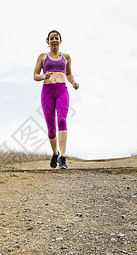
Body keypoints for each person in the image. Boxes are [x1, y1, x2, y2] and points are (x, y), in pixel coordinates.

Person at [33, 30, 79, 169]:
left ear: (60, 41)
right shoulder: (42, 57)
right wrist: (43, 76)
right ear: (48, 42)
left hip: (61, 91)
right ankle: (55, 153)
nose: (54, 40)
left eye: (56, 38)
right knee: (51, 128)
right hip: (47, 92)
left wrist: (73, 83)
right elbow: (35, 75)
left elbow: (69, 74)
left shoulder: (66, 57)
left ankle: (63, 157)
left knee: (62, 120)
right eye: (51, 38)